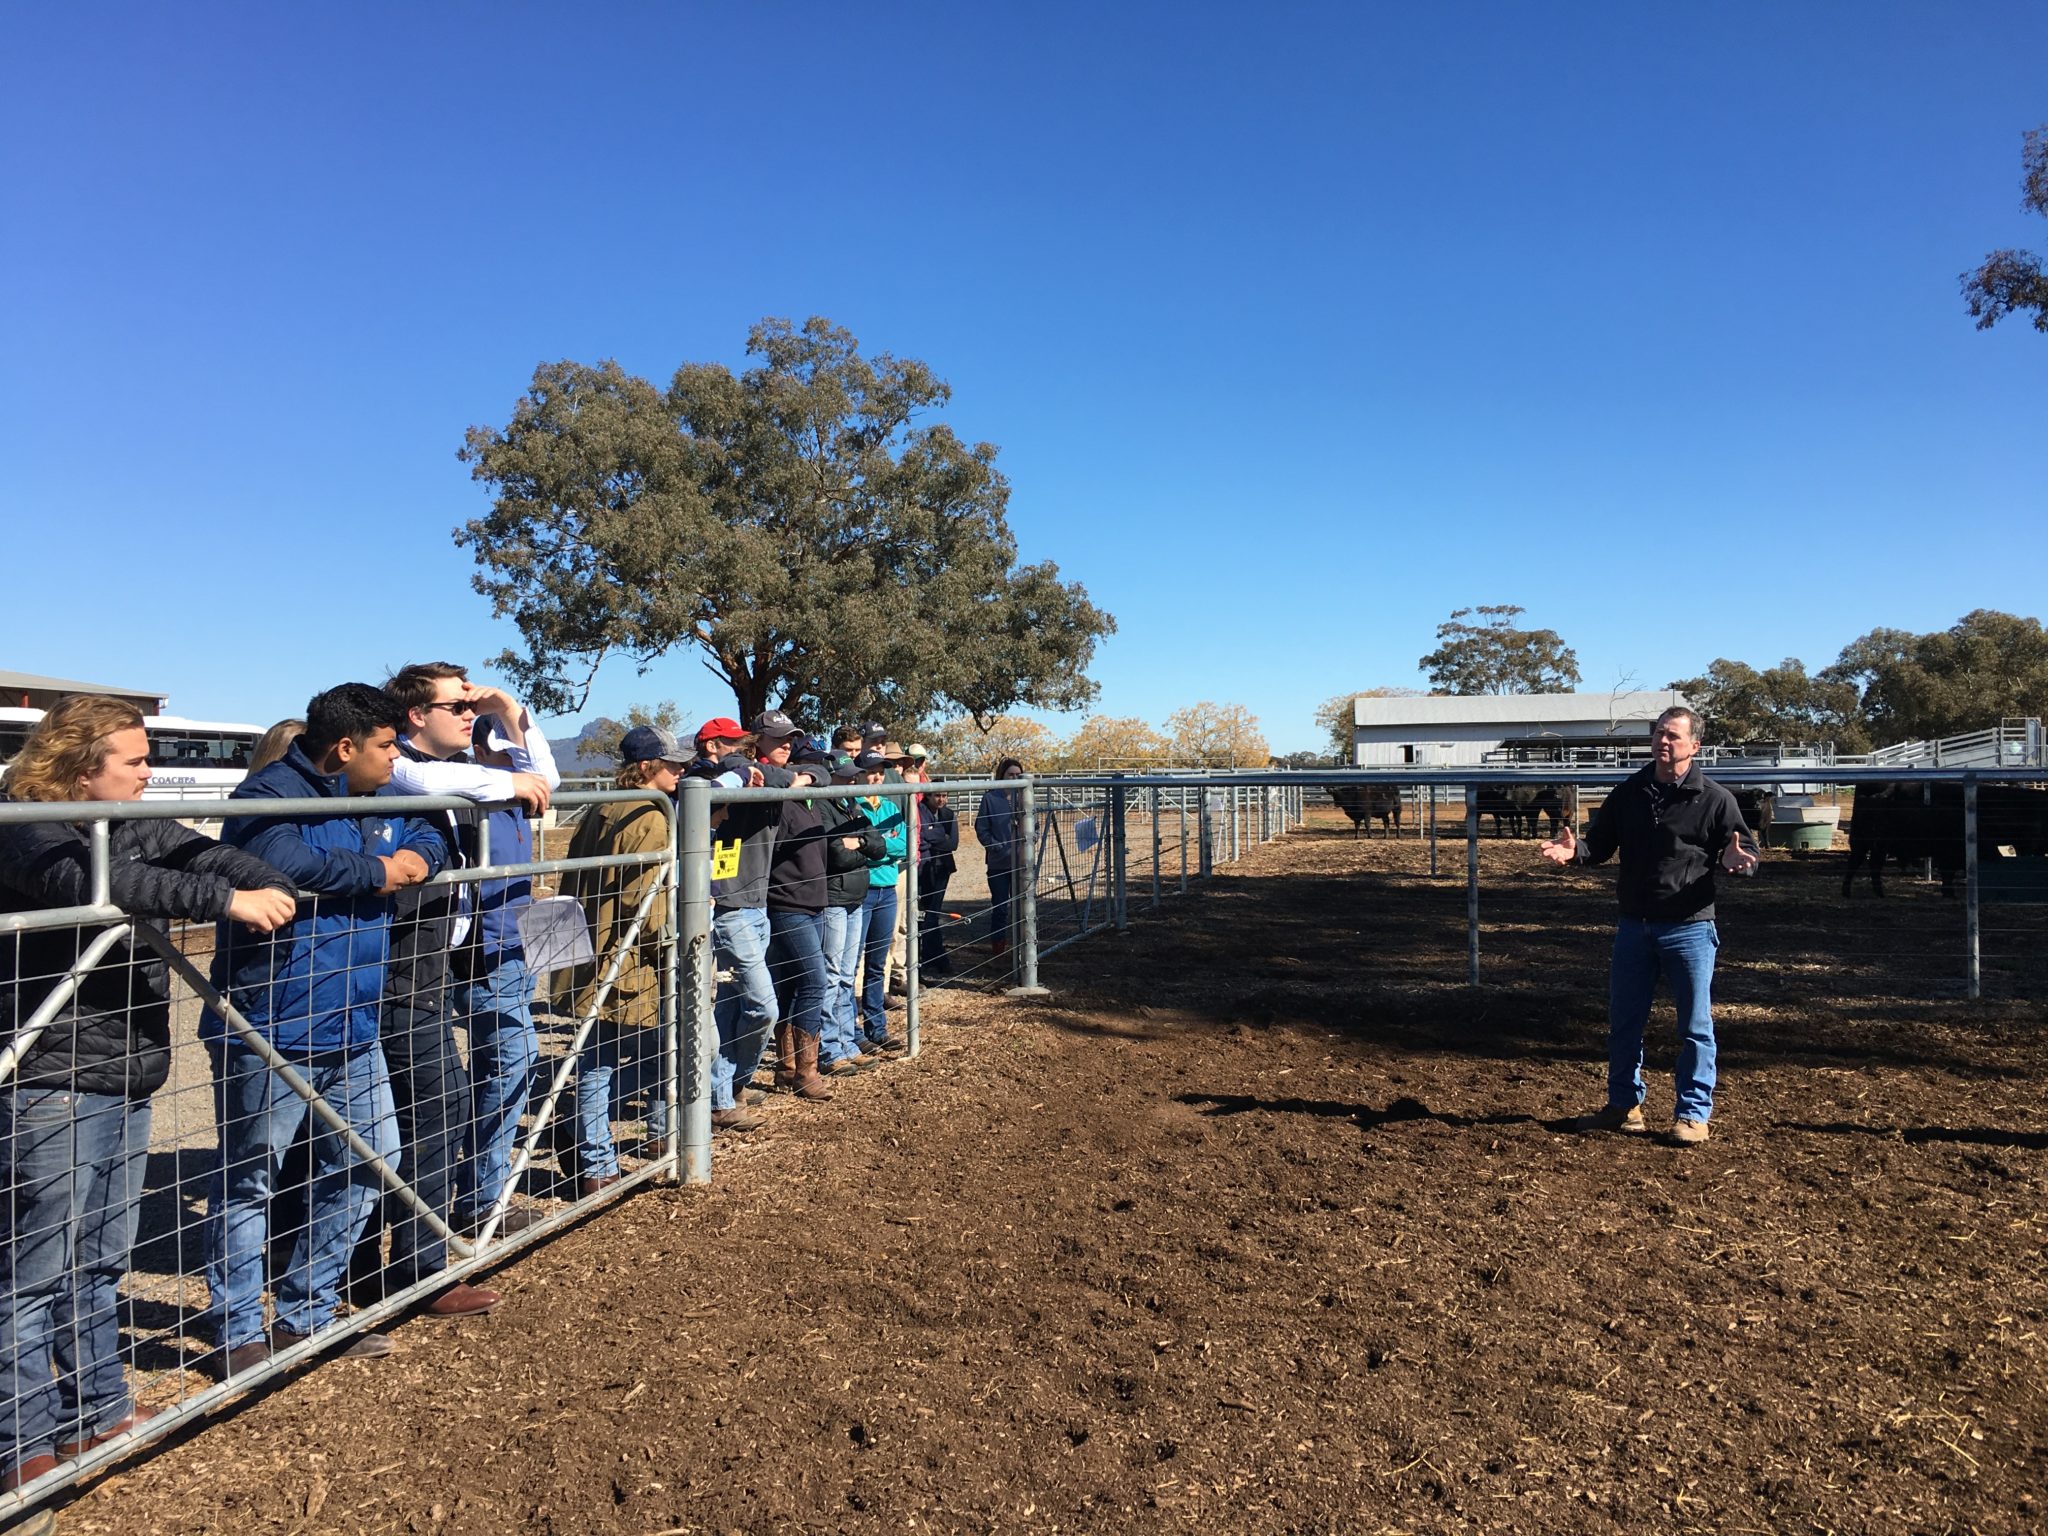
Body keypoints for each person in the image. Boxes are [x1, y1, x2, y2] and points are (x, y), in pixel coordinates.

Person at [0, 697, 295, 1489]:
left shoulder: (130, 822)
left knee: (100, 1260)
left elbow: (208, 855)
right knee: (33, 1268)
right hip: (51, 1075)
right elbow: (89, 879)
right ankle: (20, 1445)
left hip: (127, 1071)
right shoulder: (23, 825)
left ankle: (96, 1411)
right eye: (133, 760)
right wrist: (226, 902)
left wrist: (260, 881)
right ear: (77, 766)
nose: (149, 773)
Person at [204, 684, 446, 1375]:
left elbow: (432, 832)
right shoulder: (266, 798)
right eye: (386, 745)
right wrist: (380, 872)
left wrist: (416, 860)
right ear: (345, 748)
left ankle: (305, 1315)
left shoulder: (375, 795)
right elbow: (289, 863)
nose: (396, 757)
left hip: (353, 1020)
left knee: (373, 1160)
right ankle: (236, 1332)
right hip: (273, 1021)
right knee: (251, 1178)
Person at [383, 665, 558, 1246]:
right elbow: (429, 777)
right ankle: (446, 1214)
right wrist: (512, 780)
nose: (468, 715)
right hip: (432, 950)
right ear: (416, 714)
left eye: (471, 710)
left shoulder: (470, 774)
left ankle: (473, 1200)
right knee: (442, 1089)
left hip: (486, 940)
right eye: (456, 707)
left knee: (495, 1069)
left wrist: (507, 709)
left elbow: (545, 778)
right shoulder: (401, 766)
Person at [1539, 706, 1757, 1145]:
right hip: (1634, 927)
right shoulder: (1629, 792)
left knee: (1694, 1026)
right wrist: (1576, 851)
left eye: (1673, 735)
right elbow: (1600, 845)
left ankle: (1692, 1114)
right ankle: (1624, 1106)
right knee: (1624, 1022)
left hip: (1690, 929)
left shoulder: (1716, 799)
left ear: (1695, 745)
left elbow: (1744, 850)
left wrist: (1739, 861)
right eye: (1659, 733)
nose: (1663, 741)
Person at [560, 724, 681, 1190]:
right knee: (649, 1052)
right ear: (647, 767)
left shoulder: (602, 806)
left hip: (591, 945)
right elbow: (644, 902)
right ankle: (614, 1150)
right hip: (630, 958)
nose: (679, 772)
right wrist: (668, 946)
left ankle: (600, 1159)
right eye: (671, 765)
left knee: (599, 1057)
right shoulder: (651, 815)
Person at [696, 716, 784, 1131]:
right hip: (727, 908)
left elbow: (800, 774)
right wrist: (745, 772)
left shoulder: (747, 776)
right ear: (710, 746)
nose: (740, 751)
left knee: (732, 1004)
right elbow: (729, 776)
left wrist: (765, 774)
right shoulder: (703, 780)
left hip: (754, 903)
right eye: (730, 743)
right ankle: (732, 1084)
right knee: (763, 1006)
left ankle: (723, 1094)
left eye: (743, 743)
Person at [764, 743, 839, 1101]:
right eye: (808, 766)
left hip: (814, 902)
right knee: (814, 979)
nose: (816, 772)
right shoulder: (782, 803)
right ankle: (806, 1071)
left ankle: (788, 1066)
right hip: (786, 903)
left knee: (793, 984)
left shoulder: (813, 803)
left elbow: (823, 775)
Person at [819, 760, 885, 1076]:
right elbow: (835, 855)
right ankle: (829, 1047)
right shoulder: (824, 807)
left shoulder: (853, 807)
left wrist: (857, 842)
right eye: (844, 778)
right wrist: (863, 846)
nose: (851, 783)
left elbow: (880, 846)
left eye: (853, 778)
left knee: (847, 974)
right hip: (834, 899)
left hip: (856, 897)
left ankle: (848, 1042)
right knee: (831, 975)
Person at [852, 752, 909, 1053]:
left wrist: (874, 847)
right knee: (852, 962)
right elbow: (854, 850)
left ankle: (877, 1028)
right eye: (869, 772)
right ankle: (850, 1029)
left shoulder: (890, 807)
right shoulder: (852, 806)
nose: (875, 777)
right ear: (858, 774)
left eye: (879, 772)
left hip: (887, 888)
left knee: (877, 962)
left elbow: (904, 846)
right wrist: (881, 848)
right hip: (862, 890)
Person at [975, 758, 1026, 957]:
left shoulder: (1025, 797)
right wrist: (996, 847)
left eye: (1018, 775)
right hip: (998, 864)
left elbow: (1035, 826)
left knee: (1022, 906)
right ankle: (998, 947)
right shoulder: (990, 798)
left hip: (1021, 863)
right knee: (1000, 907)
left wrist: (1029, 844)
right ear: (1002, 776)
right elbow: (982, 828)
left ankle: (1023, 946)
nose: (1014, 778)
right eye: (1010, 774)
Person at [917, 783, 960, 980]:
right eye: (937, 795)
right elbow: (922, 837)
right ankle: (936, 957)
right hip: (924, 867)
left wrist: (934, 836)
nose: (941, 799)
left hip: (942, 867)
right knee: (925, 913)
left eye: (944, 795)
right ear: (928, 796)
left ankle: (933, 956)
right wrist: (939, 835)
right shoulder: (920, 811)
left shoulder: (948, 814)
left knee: (933, 912)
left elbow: (952, 843)